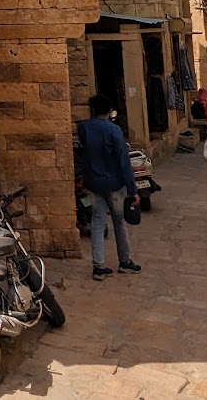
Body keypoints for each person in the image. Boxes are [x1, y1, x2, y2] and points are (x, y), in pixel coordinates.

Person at [76, 95, 142, 281]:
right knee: (119, 222)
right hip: (114, 183)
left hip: (94, 182)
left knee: (97, 222)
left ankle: (98, 266)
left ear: (93, 110)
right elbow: (123, 161)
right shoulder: (114, 130)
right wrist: (133, 189)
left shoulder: (84, 128)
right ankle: (125, 261)